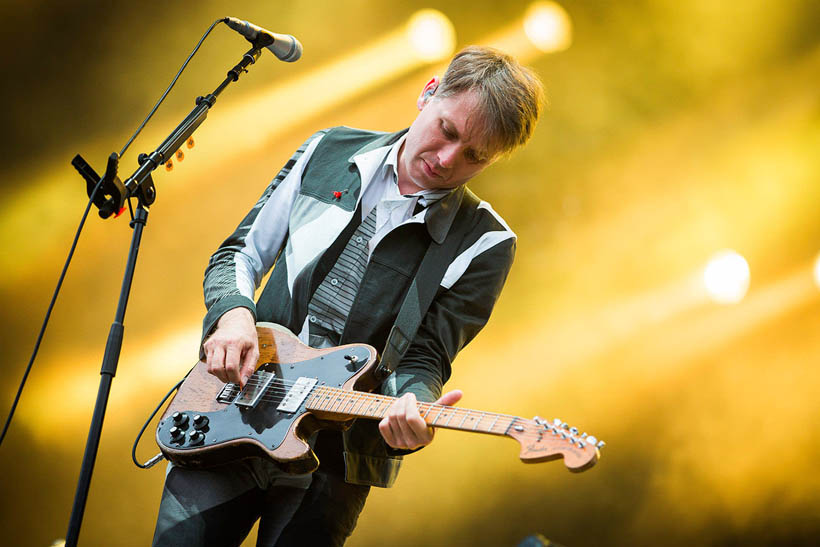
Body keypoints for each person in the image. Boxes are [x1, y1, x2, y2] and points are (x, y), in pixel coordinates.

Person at [152, 45, 544, 546]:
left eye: (474, 156)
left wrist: (414, 409)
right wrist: (232, 317)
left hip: (335, 463)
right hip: (233, 406)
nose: (448, 160)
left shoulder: (487, 241)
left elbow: (427, 357)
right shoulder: (328, 151)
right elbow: (239, 254)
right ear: (429, 93)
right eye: (448, 131)